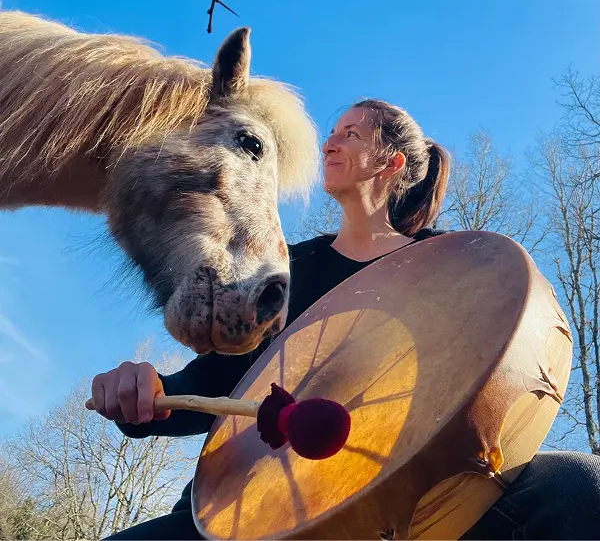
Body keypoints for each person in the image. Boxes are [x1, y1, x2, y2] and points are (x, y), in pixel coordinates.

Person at [92, 99, 600, 540]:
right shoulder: (287, 270)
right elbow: (218, 389)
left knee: (578, 488)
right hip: (257, 509)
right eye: (332, 134)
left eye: (350, 135)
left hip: (417, 497)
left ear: (391, 163)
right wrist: (148, 393)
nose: (329, 145)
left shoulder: (451, 266)